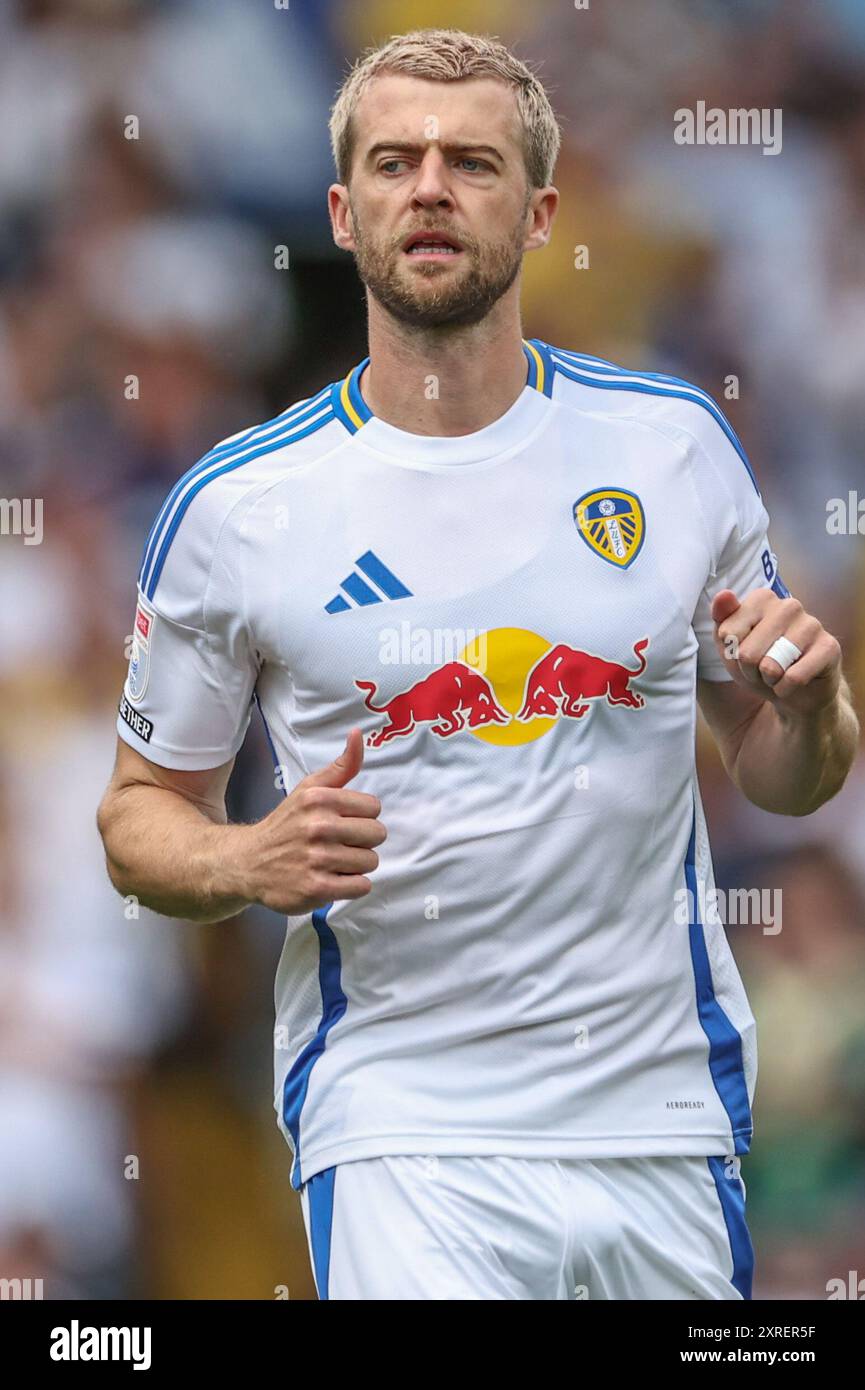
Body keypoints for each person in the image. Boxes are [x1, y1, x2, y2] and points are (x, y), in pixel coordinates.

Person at [97, 28, 858, 1301]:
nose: (431, 188)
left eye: (472, 162)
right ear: (343, 212)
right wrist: (244, 856)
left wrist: (817, 705)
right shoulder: (241, 508)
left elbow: (785, 775)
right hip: (400, 1120)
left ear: (540, 208)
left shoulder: (670, 447)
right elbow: (136, 816)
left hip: (656, 1110)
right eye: (394, 163)